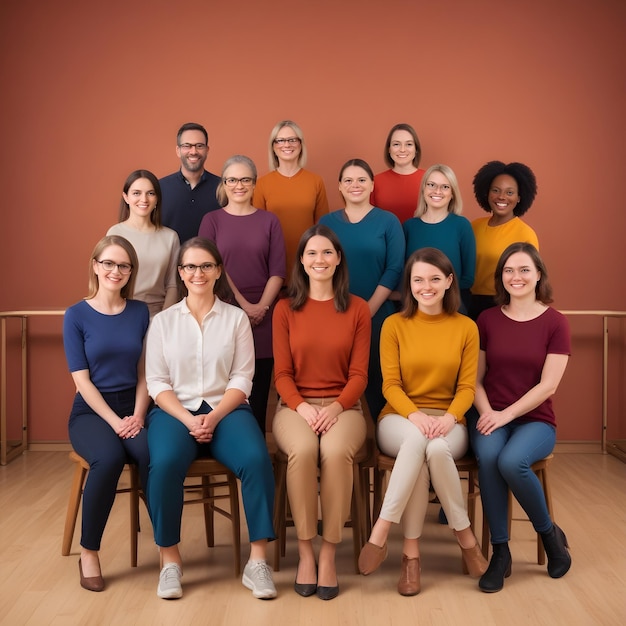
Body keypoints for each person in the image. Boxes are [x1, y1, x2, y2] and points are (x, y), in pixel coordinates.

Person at [145, 237, 277, 600]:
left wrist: (214, 416)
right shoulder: (163, 323)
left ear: (218, 271)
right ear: (181, 273)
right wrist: (189, 420)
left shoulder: (235, 319)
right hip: (175, 412)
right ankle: (170, 561)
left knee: (255, 459)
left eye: (206, 266)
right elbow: (157, 381)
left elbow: (242, 377)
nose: (198, 273)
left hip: (228, 408)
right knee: (166, 462)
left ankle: (258, 562)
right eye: (190, 267)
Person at [358, 248, 487, 596]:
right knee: (416, 442)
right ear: (410, 284)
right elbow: (389, 385)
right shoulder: (393, 324)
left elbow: (466, 387)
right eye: (418, 279)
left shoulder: (467, 328)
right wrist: (415, 415)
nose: (425, 286)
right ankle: (466, 538)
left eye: (434, 278)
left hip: (449, 422)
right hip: (398, 419)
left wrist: (448, 418)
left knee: (434, 448)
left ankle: (401, 550)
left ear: (449, 282)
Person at [272, 224, 371, 601]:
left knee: (333, 451)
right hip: (293, 406)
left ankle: (329, 553)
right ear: (301, 260)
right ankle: (306, 553)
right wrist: (302, 407)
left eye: (327, 252)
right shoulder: (286, 309)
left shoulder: (358, 308)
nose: (319, 259)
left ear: (339, 258)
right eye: (311, 253)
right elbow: (281, 374)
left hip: (344, 406)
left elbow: (359, 375)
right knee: (303, 450)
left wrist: (334, 407)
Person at [467, 242, 571, 593]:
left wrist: (505, 414)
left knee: (512, 461)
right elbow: (475, 380)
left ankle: (549, 535)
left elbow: (548, 386)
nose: (517, 277)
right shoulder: (487, 319)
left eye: (524, 269)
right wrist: (488, 413)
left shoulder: (555, 322)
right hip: (489, 413)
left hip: (535, 420)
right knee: (491, 456)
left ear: (538, 274)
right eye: (509, 270)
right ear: (501, 278)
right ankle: (500, 552)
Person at [63, 235, 150, 592]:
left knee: (153, 454)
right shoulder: (76, 315)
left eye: (124, 265)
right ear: (96, 266)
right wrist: (116, 422)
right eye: (109, 263)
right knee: (109, 458)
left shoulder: (141, 311)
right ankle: (89, 551)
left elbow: (147, 372)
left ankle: (166, 546)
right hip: (92, 411)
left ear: (131, 272)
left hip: (136, 406)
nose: (116, 271)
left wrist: (140, 415)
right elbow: (81, 381)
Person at [199, 155, 286, 433]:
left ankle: (256, 448)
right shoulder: (211, 220)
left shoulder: (269, 221)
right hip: (223, 311)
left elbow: (278, 270)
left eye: (245, 179)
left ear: (254, 183)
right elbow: (211, 267)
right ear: (223, 184)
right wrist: (243, 305)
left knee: (259, 392)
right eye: (232, 179)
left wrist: (260, 306)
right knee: (224, 388)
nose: (239, 185)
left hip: (265, 316)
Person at [320, 159, 404, 421]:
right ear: (340, 188)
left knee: (380, 380)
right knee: (338, 380)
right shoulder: (326, 223)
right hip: (335, 313)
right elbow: (318, 265)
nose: (354, 185)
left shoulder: (388, 221)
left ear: (371, 185)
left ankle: (385, 445)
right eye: (348, 180)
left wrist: (368, 309)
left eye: (361, 180)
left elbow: (394, 268)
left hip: (378, 314)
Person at [253, 120, 329, 283]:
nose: (287, 145)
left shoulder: (315, 181)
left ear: (301, 144)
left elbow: (322, 229)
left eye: (292, 139)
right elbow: (256, 232)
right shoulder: (261, 184)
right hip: (272, 266)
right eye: (280, 140)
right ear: (273, 146)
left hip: (310, 265)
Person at [469, 161, 539, 320]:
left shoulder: (525, 234)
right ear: (486, 193)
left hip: (505, 305)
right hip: (470, 304)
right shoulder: (474, 227)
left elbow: (530, 281)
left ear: (519, 197)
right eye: (496, 190)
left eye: (509, 192)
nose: (501, 197)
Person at [403, 164, 475, 314]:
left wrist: (436, 298)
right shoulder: (409, 227)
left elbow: (468, 278)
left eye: (445, 187)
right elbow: (404, 274)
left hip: (453, 308)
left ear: (452, 193)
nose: (437, 191)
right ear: (423, 189)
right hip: (415, 309)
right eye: (431, 185)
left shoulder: (462, 226)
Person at [107, 169, 180, 317]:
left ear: (157, 198)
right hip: (122, 312)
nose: (144, 199)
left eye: (150, 193)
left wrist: (163, 320)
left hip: (159, 313)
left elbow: (173, 284)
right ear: (126, 197)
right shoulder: (115, 234)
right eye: (136, 193)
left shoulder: (170, 237)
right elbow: (107, 281)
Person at [159, 122, 221, 243]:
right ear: (178, 150)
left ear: (207, 150)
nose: (193, 151)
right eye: (187, 146)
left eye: (199, 146)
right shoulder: (160, 188)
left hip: (211, 260)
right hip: (171, 261)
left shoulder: (222, 188)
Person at [370, 123, 426, 224]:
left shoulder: (429, 179)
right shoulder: (376, 182)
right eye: (396, 144)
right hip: (386, 239)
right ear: (389, 149)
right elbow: (369, 220)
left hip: (424, 239)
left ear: (416, 149)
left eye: (409, 144)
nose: (402, 149)